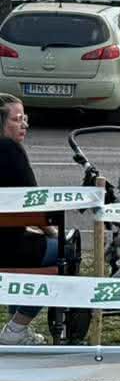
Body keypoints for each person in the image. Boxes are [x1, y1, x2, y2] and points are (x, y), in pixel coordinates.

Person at [0, 94, 61, 345]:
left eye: (25, 118)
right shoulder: (9, 149)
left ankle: (13, 325)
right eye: (17, 119)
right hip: (6, 248)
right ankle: (16, 328)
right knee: (66, 252)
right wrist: (53, 233)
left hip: (9, 240)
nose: (24, 124)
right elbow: (35, 207)